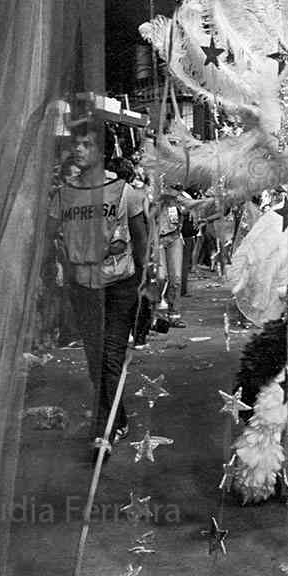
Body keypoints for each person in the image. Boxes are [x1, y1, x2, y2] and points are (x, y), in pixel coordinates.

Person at [47, 119, 149, 462]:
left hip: (119, 287)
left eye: (87, 144)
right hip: (84, 289)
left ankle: (103, 433)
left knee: (110, 358)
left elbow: (141, 241)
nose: (78, 149)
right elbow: (48, 235)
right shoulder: (63, 195)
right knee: (95, 361)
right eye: (75, 143)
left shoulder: (124, 192)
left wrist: (145, 285)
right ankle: (117, 419)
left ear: (102, 151)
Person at [152, 186, 186, 326]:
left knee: (176, 278)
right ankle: (154, 312)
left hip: (174, 238)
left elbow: (189, 207)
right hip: (157, 239)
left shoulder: (179, 197)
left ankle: (174, 314)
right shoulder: (152, 194)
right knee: (160, 277)